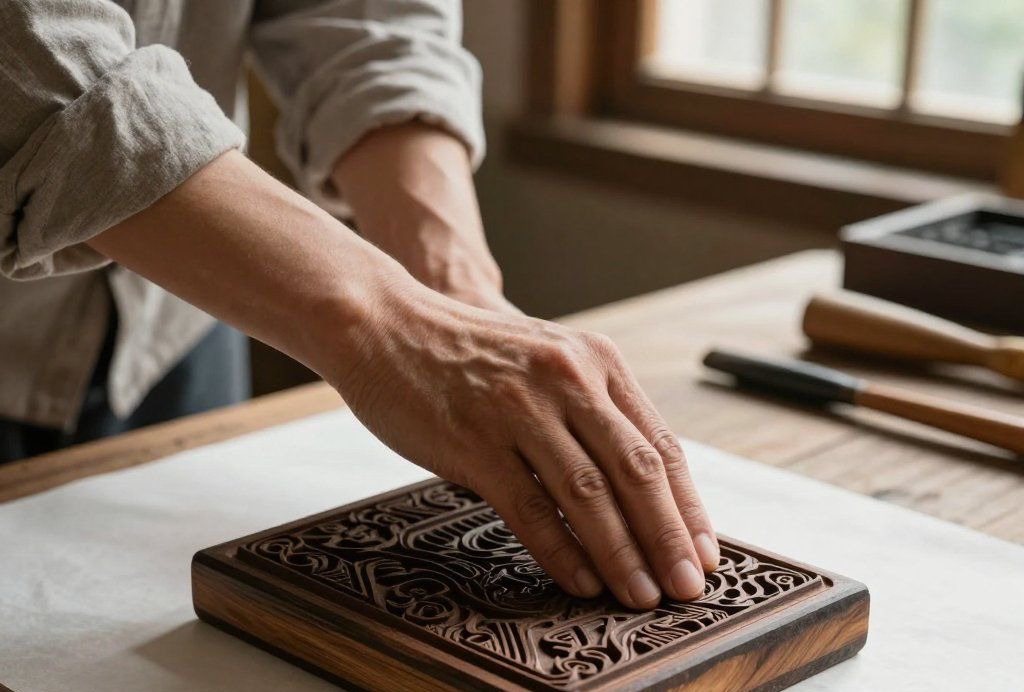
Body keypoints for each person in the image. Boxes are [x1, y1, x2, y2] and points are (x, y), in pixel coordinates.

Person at [0, 0, 719, 610]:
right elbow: (30, 54)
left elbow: (361, 13)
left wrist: (458, 291)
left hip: (175, 322)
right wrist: (388, 325)